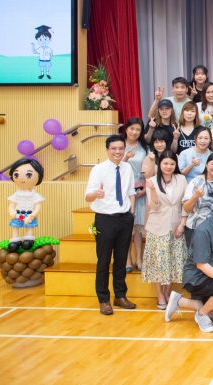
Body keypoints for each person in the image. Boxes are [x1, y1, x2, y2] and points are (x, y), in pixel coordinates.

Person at [166, 194, 213, 333]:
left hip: (211, 275)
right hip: (197, 277)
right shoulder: (203, 231)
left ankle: (180, 301)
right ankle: (201, 314)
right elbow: (201, 265)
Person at [84, 135, 137, 315]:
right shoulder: (98, 169)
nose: (117, 151)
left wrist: (131, 214)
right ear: (107, 150)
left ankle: (120, 296)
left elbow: (131, 192)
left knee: (121, 260)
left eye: (121, 148)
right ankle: (104, 300)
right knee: (104, 261)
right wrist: (96, 194)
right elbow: (87, 196)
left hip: (124, 218)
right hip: (105, 218)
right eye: (113, 148)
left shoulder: (127, 167)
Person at [142, 150, 187, 310]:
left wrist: (182, 224)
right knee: (158, 263)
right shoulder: (152, 180)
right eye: (165, 163)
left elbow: (185, 203)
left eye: (172, 163)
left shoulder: (181, 179)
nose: (169, 166)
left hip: (176, 226)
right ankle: (160, 295)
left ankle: (168, 293)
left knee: (174, 262)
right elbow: (154, 206)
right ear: (159, 164)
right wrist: (153, 189)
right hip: (157, 226)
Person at [121, 118, 149, 272]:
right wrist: (126, 157)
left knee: (138, 226)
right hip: (124, 190)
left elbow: (148, 170)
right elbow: (116, 167)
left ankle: (139, 258)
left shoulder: (144, 147)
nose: (134, 132)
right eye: (132, 128)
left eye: (138, 129)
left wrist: (145, 189)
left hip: (140, 190)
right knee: (127, 227)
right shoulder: (119, 145)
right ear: (126, 129)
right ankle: (127, 259)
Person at [182, 153, 213, 247]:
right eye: (212, 164)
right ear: (206, 164)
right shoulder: (196, 181)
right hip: (195, 228)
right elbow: (186, 208)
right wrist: (195, 196)